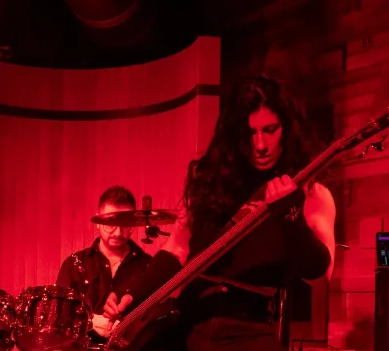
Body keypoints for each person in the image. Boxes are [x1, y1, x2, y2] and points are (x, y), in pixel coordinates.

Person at [104, 76, 337, 350]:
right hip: (190, 320)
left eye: (270, 130)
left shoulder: (312, 194)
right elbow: (177, 249)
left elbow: (321, 277)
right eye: (250, 133)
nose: (260, 145)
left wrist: (292, 220)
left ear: (286, 129)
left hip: (249, 329)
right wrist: (134, 292)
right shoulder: (211, 185)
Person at [55, 185, 153, 344]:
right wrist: (89, 322)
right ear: (98, 221)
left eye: (125, 224)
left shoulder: (148, 266)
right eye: (110, 223)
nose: (118, 233)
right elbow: (59, 317)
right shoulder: (74, 264)